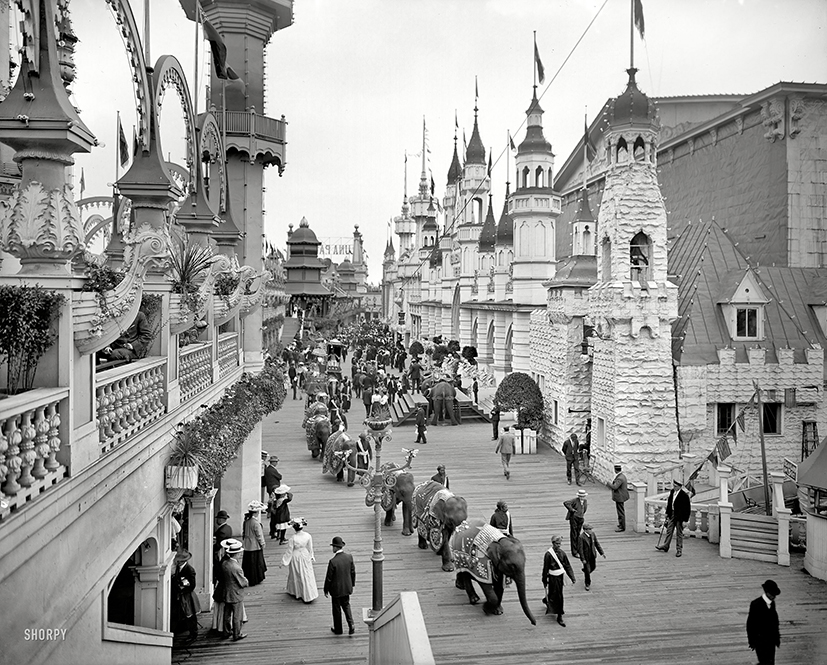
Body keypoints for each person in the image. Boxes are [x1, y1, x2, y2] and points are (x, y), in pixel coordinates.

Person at [216, 538, 248, 641]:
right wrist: (246, 581)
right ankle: (237, 634)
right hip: (235, 593)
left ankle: (226, 632)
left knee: (227, 614)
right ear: (237, 554)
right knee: (237, 616)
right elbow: (243, 582)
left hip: (227, 591)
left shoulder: (225, 563)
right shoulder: (236, 567)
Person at [281, 517, 319, 603]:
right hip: (305, 555)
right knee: (306, 573)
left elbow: (289, 551)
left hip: (296, 556)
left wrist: (284, 561)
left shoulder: (293, 538)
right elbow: (310, 548)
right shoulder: (308, 536)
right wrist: (311, 555)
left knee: (296, 574)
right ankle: (309, 593)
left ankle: (297, 592)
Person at [324, 536, 356, 636]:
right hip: (346, 587)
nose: (332, 548)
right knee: (346, 605)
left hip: (336, 590)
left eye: (333, 546)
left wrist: (326, 589)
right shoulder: (349, 557)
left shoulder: (333, 562)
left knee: (336, 609)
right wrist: (352, 584)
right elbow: (353, 572)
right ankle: (351, 624)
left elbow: (329, 578)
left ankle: (338, 629)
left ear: (336, 547)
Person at [541, 535, 576, 627]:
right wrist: (544, 579)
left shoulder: (562, 553)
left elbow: (567, 566)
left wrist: (572, 577)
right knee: (554, 592)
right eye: (557, 544)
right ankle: (547, 600)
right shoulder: (548, 554)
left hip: (560, 577)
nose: (559, 545)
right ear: (553, 544)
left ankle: (560, 615)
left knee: (559, 595)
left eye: (560, 544)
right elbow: (545, 568)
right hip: (552, 578)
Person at [747, 580, 781, 664]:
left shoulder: (772, 604)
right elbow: (750, 624)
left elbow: (774, 622)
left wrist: (777, 637)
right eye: (772, 594)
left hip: (771, 641)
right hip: (760, 641)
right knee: (764, 661)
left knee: (770, 661)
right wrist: (751, 641)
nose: (774, 597)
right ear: (767, 593)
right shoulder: (755, 604)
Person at [655, 479, 692, 557]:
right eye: (673, 486)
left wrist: (685, 520)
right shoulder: (672, 492)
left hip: (680, 516)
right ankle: (666, 545)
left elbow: (687, 509)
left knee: (679, 533)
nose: (674, 487)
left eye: (675, 486)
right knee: (669, 530)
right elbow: (669, 503)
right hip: (672, 514)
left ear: (679, 487)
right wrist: (667, 513)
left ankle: (679, 549)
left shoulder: (684, 495)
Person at [171, 550, 201, 640]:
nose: (176, 562)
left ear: (183, 561)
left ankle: (193, 634)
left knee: (190, 615)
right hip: (178, 595)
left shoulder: (190, 570)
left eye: (178, 561)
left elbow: (192, 585)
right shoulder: (177, 568)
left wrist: (182, 589)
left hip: (186, 596)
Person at [241, 500, 267, 586]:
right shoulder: (256, 523)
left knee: (248, 563)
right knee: (256, 563)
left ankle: (249, 578)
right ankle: (256, 578)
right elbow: (259, 535)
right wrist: (262, 544)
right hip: (255, 545)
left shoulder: (246, 522)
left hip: (247, 544)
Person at [577, 524, 606, 591]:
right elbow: (580, 549)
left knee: (593, 567)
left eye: (591, 529)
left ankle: (586, 571)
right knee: (587, 571)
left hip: (592, 555)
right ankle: (587, 583)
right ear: (585, 530)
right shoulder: (581, 537)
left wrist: (602, 553)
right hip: (586, 557)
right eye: (589, 529)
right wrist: (583, 559)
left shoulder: (593, 534)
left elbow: (596, 543)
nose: (591, 531)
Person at [563, 489, 588, 559]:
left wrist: (582, 514)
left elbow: (584, 509)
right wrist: (572, 510)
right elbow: (566, 503)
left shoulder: (585, 501)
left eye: (583, 496)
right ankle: (574, 552)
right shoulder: (575, 500)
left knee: (578, 534)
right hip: (574, 518)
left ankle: (578, 549)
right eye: (581, 496)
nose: (582, 497)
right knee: (574, 534)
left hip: (581, 518)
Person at [213, 510, 233, 583]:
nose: (217, 520)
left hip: (221, 554)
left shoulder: (222, 531)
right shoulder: (228, 528)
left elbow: (219, 545)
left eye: (218, 518)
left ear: (221, 520)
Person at [610, 463, 630, 532]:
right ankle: (621, 524)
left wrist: (608, 484)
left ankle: (622, 526)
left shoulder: (620, 478)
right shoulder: (622, 476)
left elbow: (615, 487)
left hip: (620, 496)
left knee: (620, 512)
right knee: (620, 510)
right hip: (621, 496)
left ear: (615, 470)